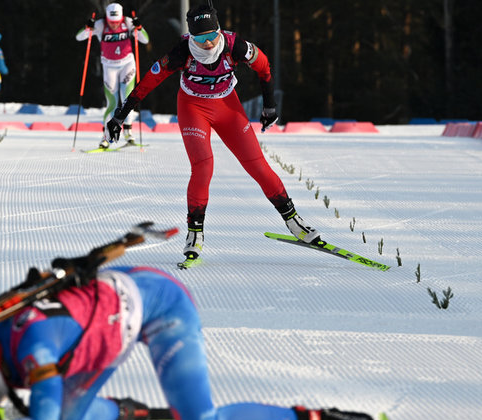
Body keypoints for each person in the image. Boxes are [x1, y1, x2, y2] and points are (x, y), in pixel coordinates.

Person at [0, 265, 385, 420]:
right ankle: (127, 412)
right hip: (110, 303)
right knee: (69, 417)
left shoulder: (35, 350)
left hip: (163, 306)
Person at [106, 4, 321, 268]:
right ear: (191, 37)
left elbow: (264, 67)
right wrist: (120, 114)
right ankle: (195, 235)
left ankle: (294, 222)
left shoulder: (235, 46)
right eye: (200, 38)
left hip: (227, 107)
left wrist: (269, 106)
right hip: (193, 108)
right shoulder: (181, 52)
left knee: (257, 165)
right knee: (203, 166)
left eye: (212, 36)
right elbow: (148, 82)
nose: (207, 44)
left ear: (219, 31)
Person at [75, 2, 149, 149]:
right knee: (112, 104)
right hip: (109, 67)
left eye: (116, 22)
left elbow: (144, 39)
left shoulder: (128, 22)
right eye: (111, 22)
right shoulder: (101, 25)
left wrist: (139, 27)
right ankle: (106, 138)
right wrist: (87, 27)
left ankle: (128, 132)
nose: (114, 25)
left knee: (128, 100)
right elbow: (79, 37)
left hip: (127, 64)